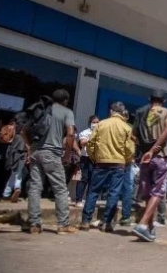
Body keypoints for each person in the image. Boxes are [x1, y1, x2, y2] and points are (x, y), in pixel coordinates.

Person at [26, 89, 78, 234]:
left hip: (36, 152)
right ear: (66, 100)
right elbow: (70, 133)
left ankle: (34, 224)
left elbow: (24, 130)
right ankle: (63, 225)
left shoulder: (42, 109)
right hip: (52, 154)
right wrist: (67, 155)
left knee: (35, 187)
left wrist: (29, 148)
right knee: (60, 189)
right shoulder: (67, 112)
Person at [79, 102, 134, 232]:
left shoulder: (101, 124)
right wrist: (124, 161)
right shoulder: (126, 127)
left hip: (101, 162)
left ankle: (86, 221)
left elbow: (91, 143)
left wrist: (94, 157)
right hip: (119, 163)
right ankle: (106, 223)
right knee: (114, 193)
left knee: (93, 191)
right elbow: (129, 149)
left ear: (111, 111)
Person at [132, 90, 167, 242]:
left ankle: (149, 229)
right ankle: (143, 224)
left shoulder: (142, 113)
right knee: (158, 192)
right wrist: (153, 149)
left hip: (145, 159)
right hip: (159, 157)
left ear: (150, 99)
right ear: (164, 100)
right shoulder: (166, 112)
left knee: (148, 193)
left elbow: (133, 135)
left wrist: (145, 149)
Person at [74, 115, 99, 207]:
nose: (95, 124)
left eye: (97, 122)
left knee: (93, 180)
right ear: (90, 123)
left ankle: (89, 200)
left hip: (96, 159)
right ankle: (78, 199)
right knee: (83, 179)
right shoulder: (85, 132)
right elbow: (83, 142)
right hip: (85, 158)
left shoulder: (101, 133)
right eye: (94, 122)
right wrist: (93, 139)